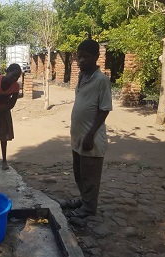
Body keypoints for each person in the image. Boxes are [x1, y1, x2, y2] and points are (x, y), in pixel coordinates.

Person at [62, 39, 112, 218]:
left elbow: (104, 109)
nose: (81, 61)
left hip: (92, 138)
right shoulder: (82, 77)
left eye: (86, 57)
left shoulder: (101, 80)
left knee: (90, 176)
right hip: (78, 136)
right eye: (79, 57)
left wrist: (91, 134)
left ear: (97, 57)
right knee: (79, 174)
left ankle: (89, 208)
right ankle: (84, 200)